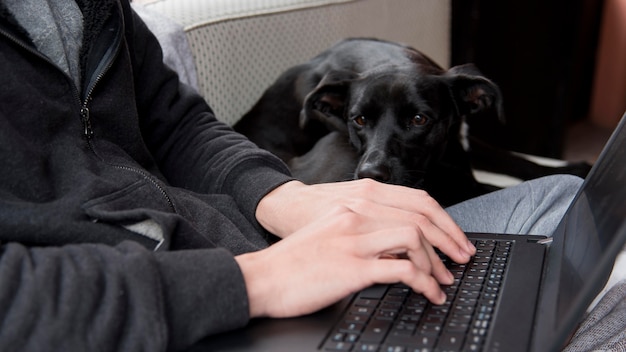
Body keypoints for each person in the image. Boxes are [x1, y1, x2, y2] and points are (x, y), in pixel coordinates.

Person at [0, 0, 583, 351]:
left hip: (247, 244)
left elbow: (177, 125)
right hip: (166, 309)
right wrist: (255, 280)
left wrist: (289, 199)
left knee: (565, 202)